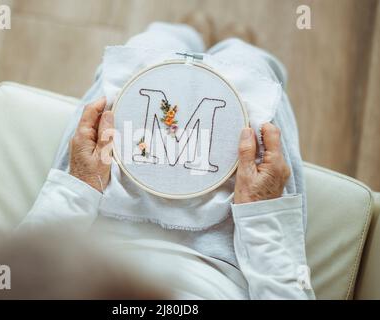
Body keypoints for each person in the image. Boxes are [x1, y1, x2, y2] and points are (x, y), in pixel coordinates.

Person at [18, 20, 315, 300]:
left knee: (146, 46)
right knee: (252, 68)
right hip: (231, 257)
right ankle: (234, 43)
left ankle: (190, 32)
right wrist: (261, 216)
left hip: (99, 235)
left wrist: (79, 186)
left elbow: (24, 274)